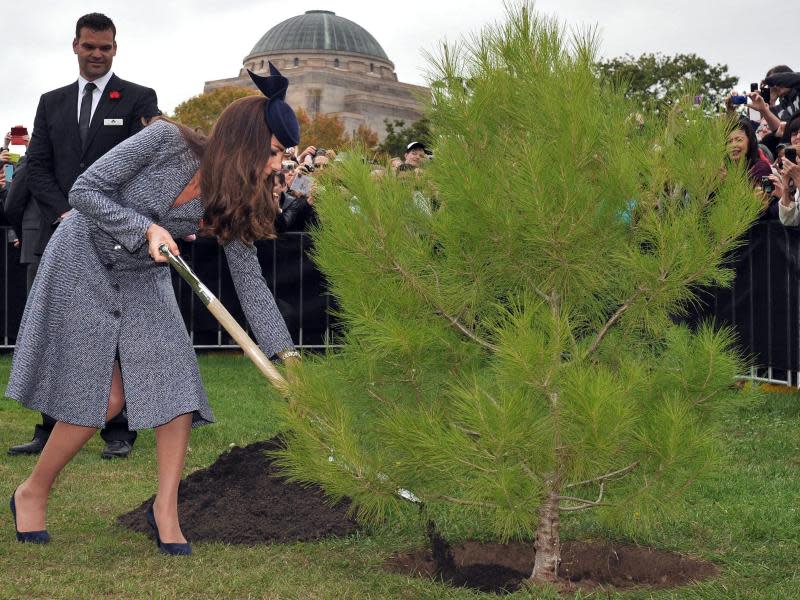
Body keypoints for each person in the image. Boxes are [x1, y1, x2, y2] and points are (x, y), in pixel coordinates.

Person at [7, 62, 301, 554]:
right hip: (83, 257)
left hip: (144, 276)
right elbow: (84, 191)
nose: (277, 165)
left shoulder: (233, 195)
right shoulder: (164, 142)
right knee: (106, 401)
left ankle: (165, 508)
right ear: (246, 140)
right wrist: (143, 228)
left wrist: (286, 356)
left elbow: (251, 284)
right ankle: (32, 491)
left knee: (176, 388)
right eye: (273, 152)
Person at [8, 13, 160, 459]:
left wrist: (99, 213)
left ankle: (119, 430)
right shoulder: (50, 101)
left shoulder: (138, 99)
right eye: (90, 46)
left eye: (105, 47)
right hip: (60, 232)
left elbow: (146, 161)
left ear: (116, 48)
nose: (97, 54)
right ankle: (49, 426)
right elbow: (36, 165)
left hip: (115, 238)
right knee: (54, 331)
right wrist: (67, 212)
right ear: (75, 46)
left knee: (115, 333)